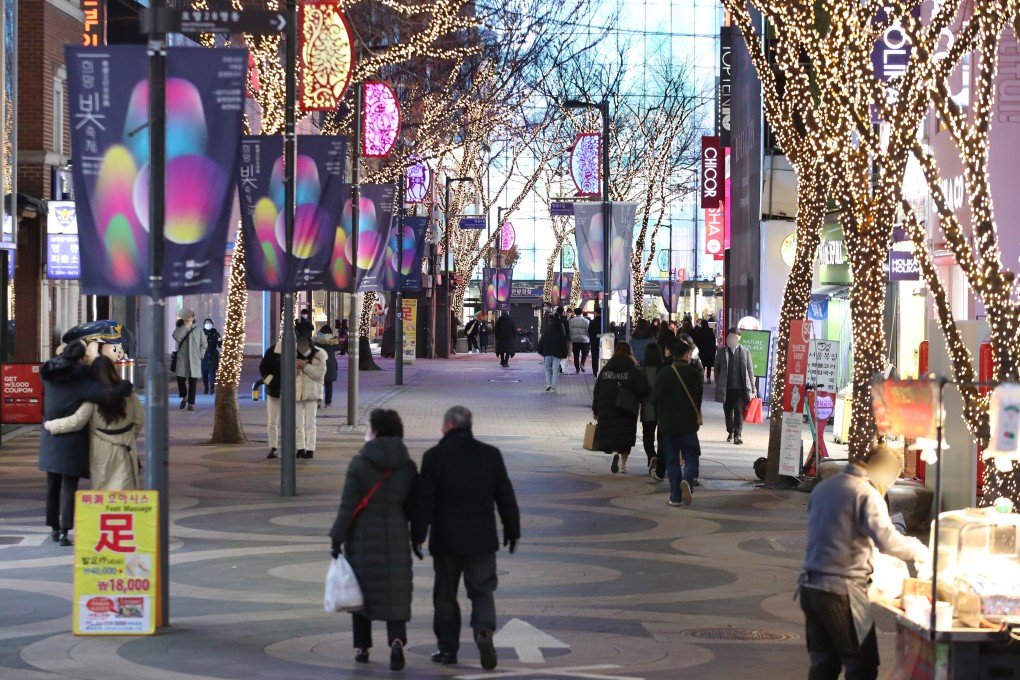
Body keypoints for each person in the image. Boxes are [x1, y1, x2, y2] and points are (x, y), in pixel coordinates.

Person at [800, 445, 931, 679]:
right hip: (843, 592)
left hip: (811, 588)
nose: (890, 483)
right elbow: (886, 541)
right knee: (862, 665)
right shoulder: (865, 493)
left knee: (824, 664)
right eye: (893, 476)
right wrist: (917, 549)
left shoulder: (823, 488)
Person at [412, 406, 520, 671]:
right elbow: (504, 495)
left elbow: (424, 500)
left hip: (446, 540)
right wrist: (512, 529)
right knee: (482, 590)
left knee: (446, 593)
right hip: (481, 539)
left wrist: (417, 534)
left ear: (449, 425)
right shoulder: (490, 455)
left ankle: (448, 649)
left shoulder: (434, 457)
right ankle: (483, 632)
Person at [330, 409, 418, 671]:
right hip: (397, 534)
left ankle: (362, 647)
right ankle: (396, 642)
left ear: (376, 430)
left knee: (361, 593)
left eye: (368, 426)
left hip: (362, 538)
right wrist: (418, 535)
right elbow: (414, 506)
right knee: (396, 591)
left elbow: (347, 506)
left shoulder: (359, 463)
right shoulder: (407, 465)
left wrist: (337, 538)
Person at [39, 337, 131, 546]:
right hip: (72, 439)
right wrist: (126, 385)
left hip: (49, 435)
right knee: (69, 485)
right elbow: (108, 396)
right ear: (81, 358)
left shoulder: (48, 374)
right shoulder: (82, 379)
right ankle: (64, 531)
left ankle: (53, 527)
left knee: (52, 484)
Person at [44, 356, 144, 491]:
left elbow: (77, 421)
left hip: (101, 449)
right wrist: (130, 435)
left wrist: (52, 425)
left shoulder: (93, 397)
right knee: (125, 488)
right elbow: (139, 418)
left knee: (103, 489)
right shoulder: (129, 393)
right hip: (126, 445)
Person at [652, 340, 703, 506]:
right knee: (691, 456)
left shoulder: (663, 373)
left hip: (668, 424)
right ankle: (687, 480)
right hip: (688, 424)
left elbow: (655, 398)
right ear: (687, 355)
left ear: (672, 354)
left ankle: (675, 497)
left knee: (672, 460)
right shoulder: (694, 374)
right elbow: (698, 398)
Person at [592, 342, 649, 474]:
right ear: (630, 353)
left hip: (607, 407)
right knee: (625, 436)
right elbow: (642, 389)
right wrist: (639, 401)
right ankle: (623, 465)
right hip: (627, 408)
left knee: (611, 434)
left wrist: (595, 409)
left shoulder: (606, 370)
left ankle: (614, 453)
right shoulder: (634, 370)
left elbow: (597, 390)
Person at [714, 328, 756, 445]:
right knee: (727, 411)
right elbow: (716, 368)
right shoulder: (722, 351)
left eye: (735, 336)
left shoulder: (744, 351)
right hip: (726, 388)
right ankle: (730, 430)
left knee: (739, 411)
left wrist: (752, 386)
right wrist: (719, 381)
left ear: (739, 337)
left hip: (740, 388)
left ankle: (738, 434)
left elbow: (750, 370)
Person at [295, 335, 327, 459]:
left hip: (312, 394)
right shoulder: (294, 357)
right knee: (298, 424)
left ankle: (310, 449)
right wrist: (297, 368)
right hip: (297, 394)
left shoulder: (319, 357)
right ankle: (300, 448)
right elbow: (288, 375)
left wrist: (306, 366)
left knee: (310, 423)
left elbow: (318, 375)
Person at [172, 308, 207, 412]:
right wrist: (185, 326)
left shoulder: (198, 330)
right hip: (182, 359)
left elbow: (204, 344)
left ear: (193, 317)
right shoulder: (179, 328)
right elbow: (176, 337)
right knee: (180, 379)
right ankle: (184, 396)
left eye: (190, 316)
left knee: (193, 382)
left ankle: (191, 403)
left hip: (194, 359)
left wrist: (201, 354)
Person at [640, 344, 664, 475]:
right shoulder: (664, 369)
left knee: (647, 436)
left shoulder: (643, 371)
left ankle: (651, 456)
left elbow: (639, 390)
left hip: (647, 408)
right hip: (663, 409)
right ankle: (660, 463)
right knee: (662, 438)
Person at [259, 338, 283, 459]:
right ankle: (273, 447)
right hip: (274, 391)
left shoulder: (298, 352)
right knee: (272, 421)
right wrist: (270, 381)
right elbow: (263, 368)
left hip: (293, 393)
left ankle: (298, 446)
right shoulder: (272, 351)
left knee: (294, 422)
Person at [537, 309, 569, 392]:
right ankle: (553, 387)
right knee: (555, 370)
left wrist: (540, 351)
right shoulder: (560, 332)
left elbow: (541, 341)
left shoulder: (547, 331)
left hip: (547, 352)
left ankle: (548, 384)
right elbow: (563, 344)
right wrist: (564, 354)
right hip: (557, 353)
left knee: (547, 368)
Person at [316, 325, 340, 408]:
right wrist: (335, 338)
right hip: (330, 366)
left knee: (318, 385)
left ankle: (318, 402)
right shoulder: (332, 343)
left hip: (319, 365)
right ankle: (328, 402)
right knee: (328, 385)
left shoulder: (317, 342)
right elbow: (339, 347)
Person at [692, 319, 717, 384]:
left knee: (702, 364)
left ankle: (702, 377)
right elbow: (713, 342)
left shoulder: (700, 332)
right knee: (708, 365)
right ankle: (708, 377)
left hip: (701, 351)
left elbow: (697, 341)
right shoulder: (710, 332)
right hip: (709, 351)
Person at [201, 318, 222, 395]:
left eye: (210, 322)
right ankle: (206, 387)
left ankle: (212, 388)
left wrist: (220, 341)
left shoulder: (215, 333)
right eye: (207, 322)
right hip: (204, 355)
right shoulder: (201, 333)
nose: (208, 324)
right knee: (204, 374)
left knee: (212, 372)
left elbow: (220, 345)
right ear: (204, 324)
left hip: (213, 355)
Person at [568, 308, 591, 373]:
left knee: (576, 354)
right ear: (581, 313)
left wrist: (571, 337)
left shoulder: (571, 321)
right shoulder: (586, 321)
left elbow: (569, 330)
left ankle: (577, 368)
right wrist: (589, 338)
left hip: (575, 339)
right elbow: (588, 330)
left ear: (575, 313)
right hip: (584, 339)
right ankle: (582, 364)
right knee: (585, 353)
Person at [588, 306, 603, 374]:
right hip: (604, 341)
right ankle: (601, 370)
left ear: (595, 313)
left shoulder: (592, 322)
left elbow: (589, 331)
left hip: (594, 341)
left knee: (594, 356)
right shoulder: (604, 321)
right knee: (602, 355)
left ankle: (595, 371)